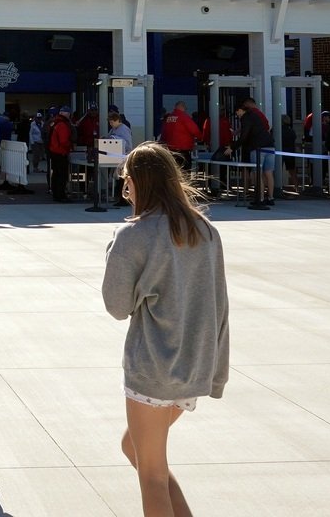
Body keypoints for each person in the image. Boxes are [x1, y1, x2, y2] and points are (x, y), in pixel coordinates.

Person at [102, 142, 229, 517]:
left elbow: (116, 307)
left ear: (138, 182)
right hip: (195, 366)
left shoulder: (133, 236)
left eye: (127, 182)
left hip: (154, 369)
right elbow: (219, 304)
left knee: (151, 476)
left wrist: (115, 250)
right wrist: (216, 373)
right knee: (135, 450)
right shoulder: (205, 230)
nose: (126, 191)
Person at [228, 97, 276, 209]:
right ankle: (271, 197)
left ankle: (260, 198)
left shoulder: (246, 117)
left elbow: (244, 136)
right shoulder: (258, 115)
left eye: (237, 112)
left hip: (257, 147)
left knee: (257, 173)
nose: (237, 115)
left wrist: (233, 147)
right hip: (270, 146)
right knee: (268, 173)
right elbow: (266, 127)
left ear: (241, 109)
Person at [158, 101, 200, 171]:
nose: (186, 109)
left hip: (170, 151)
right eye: (185, 108)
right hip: (183, 151)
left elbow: (164, 133)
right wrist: (200, 138)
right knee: (185, 173)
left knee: (173, 172)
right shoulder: (184, 117)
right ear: (182, 107)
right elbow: (195, 130)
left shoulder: (169, 118)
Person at [46, 107, 74, 203]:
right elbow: (64, 141)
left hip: (53, 151)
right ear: (66, 114)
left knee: (56, 174)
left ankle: (56, 194)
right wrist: (70, 146)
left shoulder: (54, 123)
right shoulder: (62, 124)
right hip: (60, 152)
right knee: (62, 175)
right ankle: (61, 195)